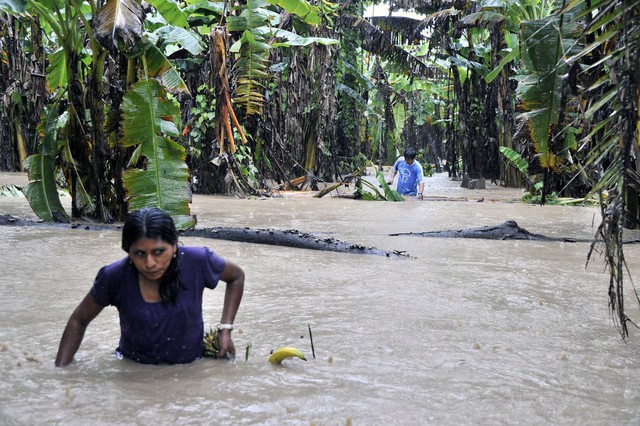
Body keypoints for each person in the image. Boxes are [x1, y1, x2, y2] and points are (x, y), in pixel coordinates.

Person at [55, 207, 244, 366]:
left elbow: (236, 277)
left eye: (159, 252)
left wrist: (225, 329)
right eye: (139, 253)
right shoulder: (114, 277)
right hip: (132, 371)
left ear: (175, 246)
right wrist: (61, 374)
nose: (150, 263)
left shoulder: (198, 262)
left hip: (191, 370)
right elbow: (77, 321)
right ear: (128, 252)